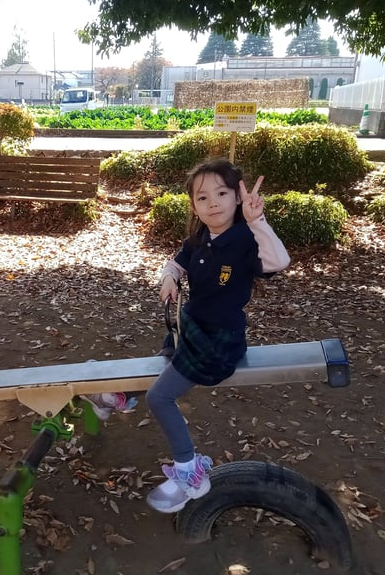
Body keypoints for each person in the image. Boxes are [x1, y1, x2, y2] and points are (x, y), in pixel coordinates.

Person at [144, 160, 290, 513]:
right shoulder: (199, 239)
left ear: (238, 197)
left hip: (218, 343)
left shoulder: (245, 239)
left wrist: (257, 222)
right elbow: (175, 263)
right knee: (164, 357)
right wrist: (169, 278)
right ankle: (121, 396)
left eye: (222, 193)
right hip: (192, 328)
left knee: (159, 398)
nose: (212, 203)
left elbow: (278, 262)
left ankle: (189, 472)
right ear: (194, 206)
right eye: (202, 197)